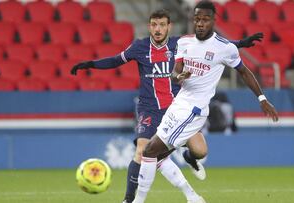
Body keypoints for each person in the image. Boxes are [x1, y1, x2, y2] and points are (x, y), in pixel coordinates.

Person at [71, 9, 264, 203]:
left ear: (169, 27)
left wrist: (240, 43)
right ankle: (129, 200)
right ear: (149, 27)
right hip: (150, 109)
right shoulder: (139, 47)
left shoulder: (180, 43)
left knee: (200, 151)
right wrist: (90, 64)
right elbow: (114, 60)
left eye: (162, 25)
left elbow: (212, 44)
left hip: (178, 108)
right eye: (154, 25)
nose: (158, 29)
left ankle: (190, 159)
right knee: (142, 151)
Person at [132, 1, 279, 203]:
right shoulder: (184, 42)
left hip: (193, 111)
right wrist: (179, 76)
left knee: (150, 152)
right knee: (158, 156)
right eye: (197, 19)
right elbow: (175, 73)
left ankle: (138, 201)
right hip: (178, 105)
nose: (200, 23)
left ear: (213, 21)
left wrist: (262, 98)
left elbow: (244, 72)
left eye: (205, 19)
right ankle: (193, 197)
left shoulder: (224, 48)